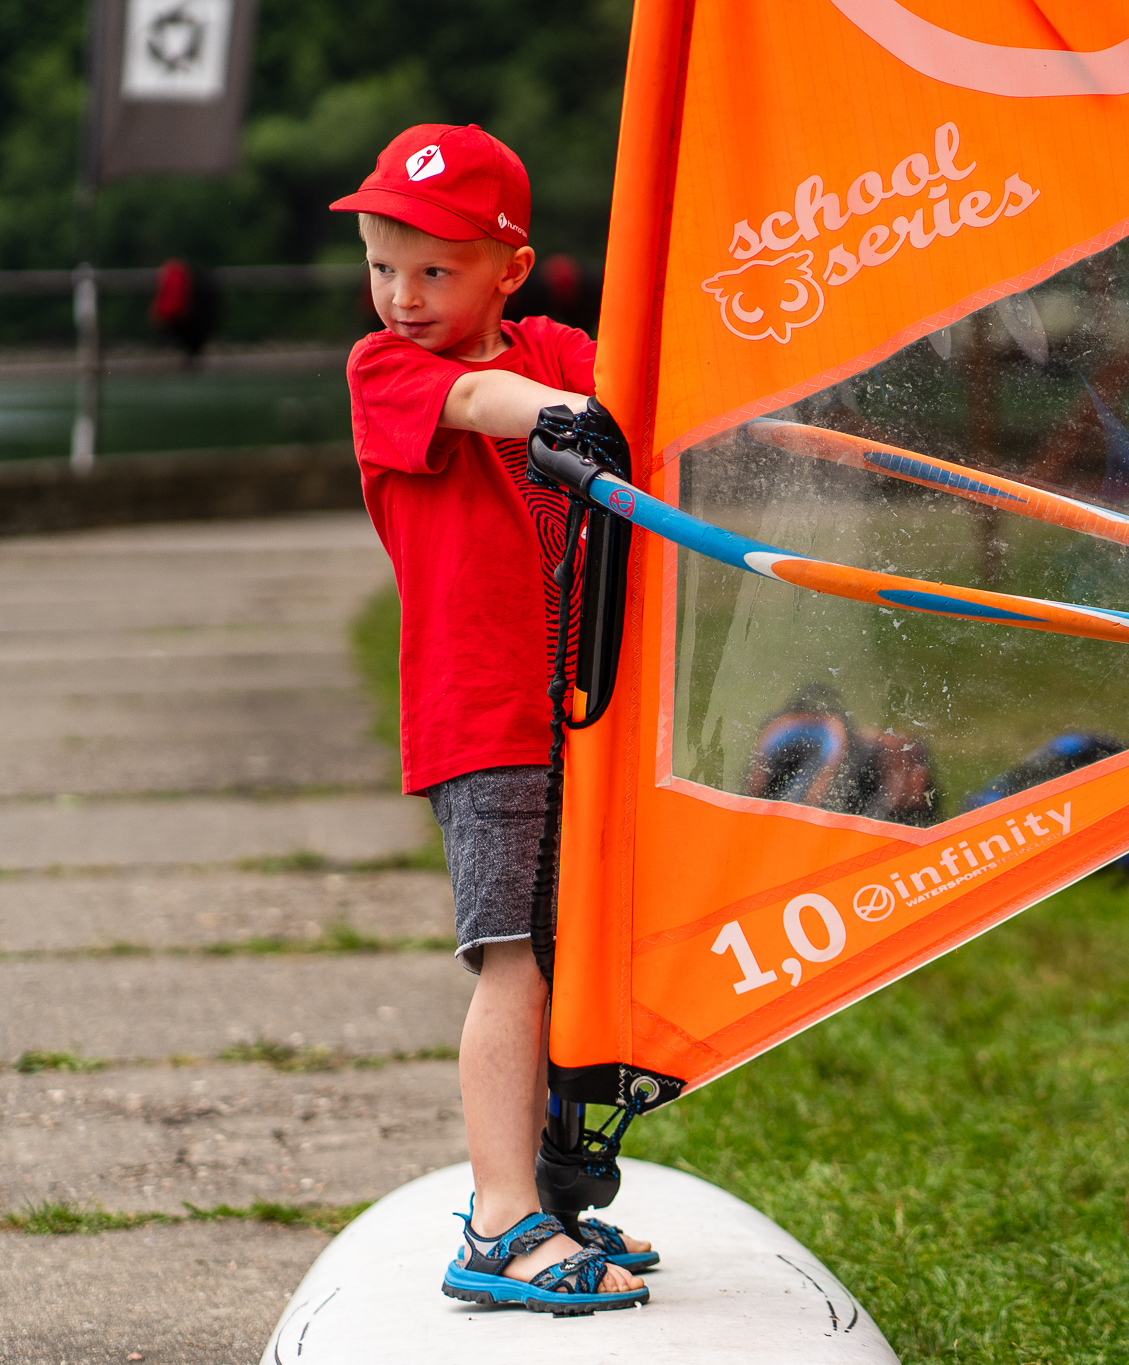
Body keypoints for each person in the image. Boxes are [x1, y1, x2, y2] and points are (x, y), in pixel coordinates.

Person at [332, 124, 652, 1314]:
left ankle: (549, 1196)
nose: (402, 296)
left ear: (510, 269)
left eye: (435, 269)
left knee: (568, 961)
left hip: (579, 714)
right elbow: (483, 401)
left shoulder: (554, 348)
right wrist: (570, 415)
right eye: (383, 266)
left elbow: (635, 387)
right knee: (511, 963)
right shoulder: (388, 371)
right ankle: (498, 1219)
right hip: (482, 719)